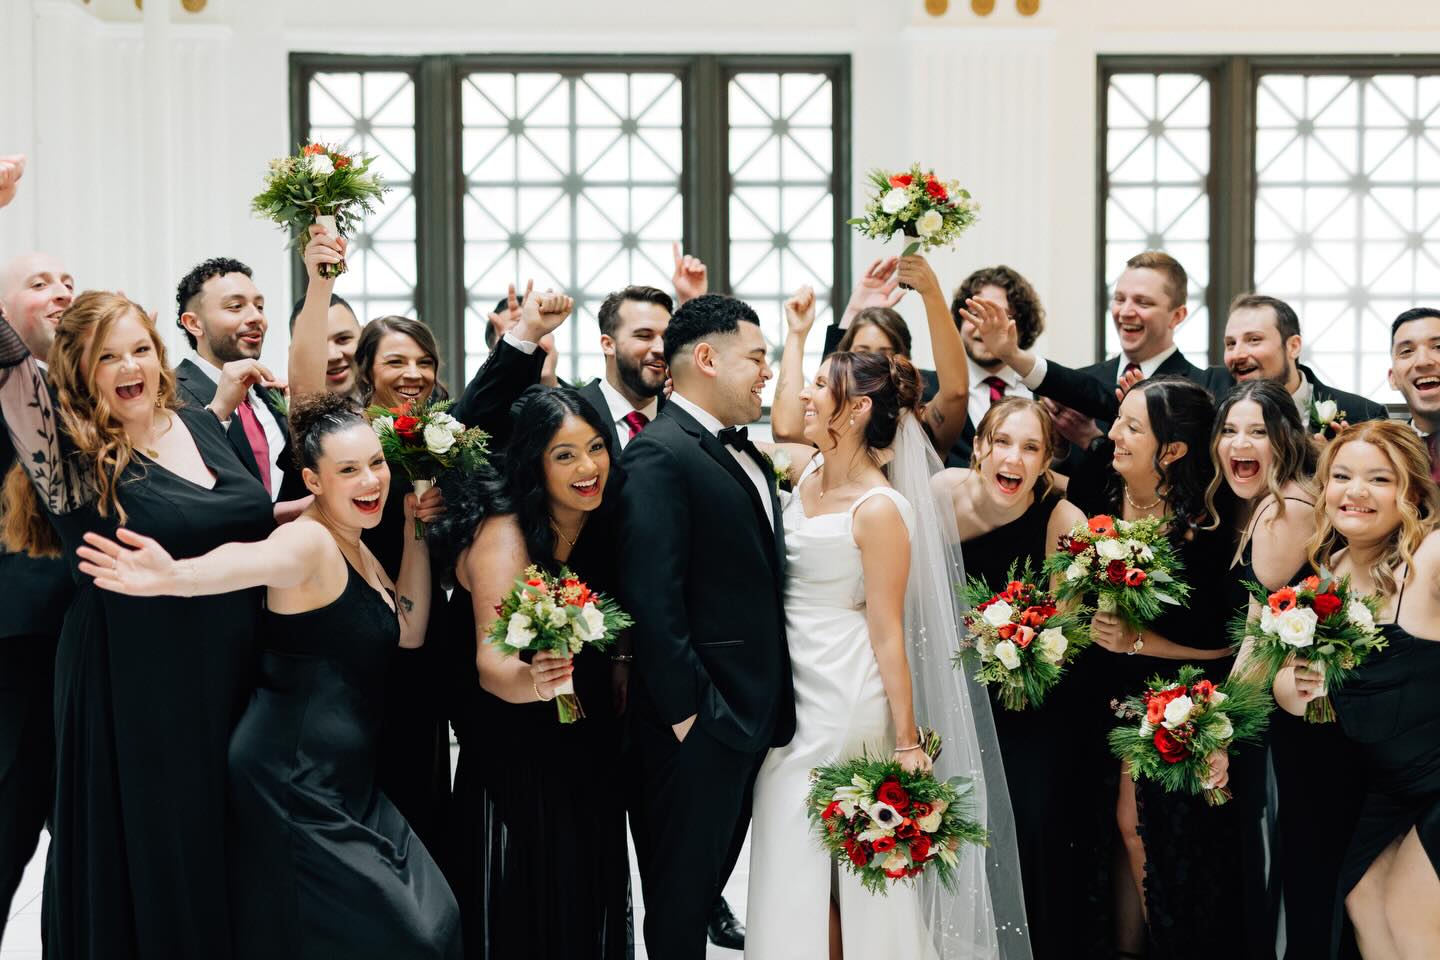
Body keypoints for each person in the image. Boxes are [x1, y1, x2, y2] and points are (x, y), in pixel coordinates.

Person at [73, 392, 461, 958]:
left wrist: (413, 531)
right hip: (291, 779)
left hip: (346, 781)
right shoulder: (307, 541)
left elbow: (408, 629)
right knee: (413, 935)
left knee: (433, 920)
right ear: (313, 480)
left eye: (376, 463)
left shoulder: (358, 546)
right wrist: (175, 575)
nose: (370, 480)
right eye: (348, 470)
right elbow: (250, 562)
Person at [0, 289, 273, 959]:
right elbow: (11, 372)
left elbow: (236, 521)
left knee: (231, 849)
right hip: (137, 681)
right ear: (76, 370)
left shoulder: (199, 423)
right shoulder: (72, 458)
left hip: (235, 669)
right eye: (106, 357)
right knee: (162, 849)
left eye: (141, 350)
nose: (130, 367)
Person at [745, 348, 1031, 959]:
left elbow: (887, 630)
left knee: (841, 868)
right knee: (789, 857)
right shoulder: (807, 473)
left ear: (856, 409)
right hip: (788, 689)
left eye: (819, 385)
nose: (805, 396)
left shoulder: (879, 509)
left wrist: (906, 741)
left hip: (843, 693)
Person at [616, 293, 795, 959]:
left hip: (748, 717)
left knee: (702, 889)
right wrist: (690, 715)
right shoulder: (658, 455)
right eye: (757, 358)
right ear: (708, 359)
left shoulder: (740, 452)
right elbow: (651, 599)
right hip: (699, 726)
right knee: (679, 909)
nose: (767, 372)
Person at [1073, 378, 1266, 957]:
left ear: (1173, 450)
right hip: (1095, 692)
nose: (1113, 434)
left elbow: (1230, 645)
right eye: (1120, 421)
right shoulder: (1097, 485)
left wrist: (1140, 643)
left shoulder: (1209, 529)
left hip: (1173, 699)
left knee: (1142, 830)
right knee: (1107, 832)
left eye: (1132, 427)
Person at [435, 385, 629, 958]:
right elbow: (492, 665)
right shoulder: (505, 535)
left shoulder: (599, 517)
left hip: (583, 737)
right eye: (565, 455)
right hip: (517, 746)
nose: (588, 467)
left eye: (596, 447)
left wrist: (619, 661)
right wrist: (540, 682)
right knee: (531, 899)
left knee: (581, 892)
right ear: (533, 463)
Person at [1204, 378, 1361, 959]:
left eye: (1257, 431)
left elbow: (1257, 641)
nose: (1239, 444)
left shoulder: (1283, 510)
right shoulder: (1283, 500)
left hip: (1287, 728)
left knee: (1287, 875)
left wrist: (1216, 727)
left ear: (1286, 440)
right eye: (1229, 431)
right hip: (1292, 718)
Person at [1273, 420, 1440, 958]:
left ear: (1412, 493)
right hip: (1392, 788)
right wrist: (1296, 685)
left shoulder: (1431, 557)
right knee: (1363, 902)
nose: (1356, 491)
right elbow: (1287, 685)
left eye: (1380, 479)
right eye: (1342, 476)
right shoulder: (1325, 573)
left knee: (1410, 914)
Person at [933, 397, 1088, 959]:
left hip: (1029, 700)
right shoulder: (941, 494)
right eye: (1002, 442)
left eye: (1030, 448)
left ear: (1046, 461)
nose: (1013, 458)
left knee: (1027, 826)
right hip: (946, 690)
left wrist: (1008, 648)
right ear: (978, 447)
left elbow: (1065, 639)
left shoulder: (1062, 519)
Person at [0, 242, 73, 944]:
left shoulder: (78, 390)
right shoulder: (8, 379)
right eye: (40, 283)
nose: (62, 291)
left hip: (85, 647)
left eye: (69, 282)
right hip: (16, 654)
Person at [977, 252, 1233, 436]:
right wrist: (1061, 448)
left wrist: (1093, 442)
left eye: (1143, 302)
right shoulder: (1076, 384)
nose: (1126, 312)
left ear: (1177, 316)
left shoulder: (1206, 387)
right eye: (1119, 299)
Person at [773, 255, 970, 458]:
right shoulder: (827, 417)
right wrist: (797, 334)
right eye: (862, 353)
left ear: (905, 361)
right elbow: (787, 432)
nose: (871, 364)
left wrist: (931, 292)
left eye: (885, 355)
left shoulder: (920, 420)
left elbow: (955, 392)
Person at [174, 257, 308, 504]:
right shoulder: (168, 394)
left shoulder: (271, 394)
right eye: (236, 306)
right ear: (194, 323)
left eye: (260, 307)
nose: (256, 317)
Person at [1222, 293, 1388, 431]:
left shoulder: (1364, 416)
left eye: (1254, 340)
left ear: (1293, 346)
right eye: (1230, 344)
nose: (1237, 355)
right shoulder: (1216, 408)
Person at [943, 266, 1045, 467]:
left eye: (1001, 317)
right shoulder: (931, 391)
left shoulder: (1045, 395)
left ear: (1023, 327)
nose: (985, 327)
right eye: (975, 314)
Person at [578, 284, 672, 453]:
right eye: (644, 336)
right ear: (608, 345)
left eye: (667, 338)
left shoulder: (682, 417)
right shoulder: (573, 412)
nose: (660, 348)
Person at [1389, 307, 1440, 482]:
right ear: (1393, 379)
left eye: (1438, 347)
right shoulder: (1385, 451)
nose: (1423, 361)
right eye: (1406, 351)